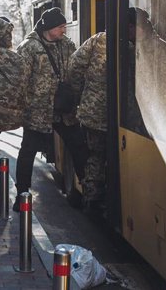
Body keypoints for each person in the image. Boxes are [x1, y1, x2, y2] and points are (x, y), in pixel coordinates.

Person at [15, 7, 88, 212]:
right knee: (28, 151)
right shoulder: (29, 47)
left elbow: (75, 68)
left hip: (64, 110)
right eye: (61, 27)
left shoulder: (66, 45)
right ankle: (21, 196)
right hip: (38, 111)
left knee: (78, 147)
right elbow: (19, 79)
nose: (65, 30)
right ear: (48, 28)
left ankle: (89, 192)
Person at [66, 31, 107, 214]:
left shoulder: (99, 39)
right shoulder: (137, 44)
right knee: (96, 154)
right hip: (100, 114)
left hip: (92, 110)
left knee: (96, 155)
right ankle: (92, 199)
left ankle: (92, 198)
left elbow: (75, 65)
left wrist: (78, 93)